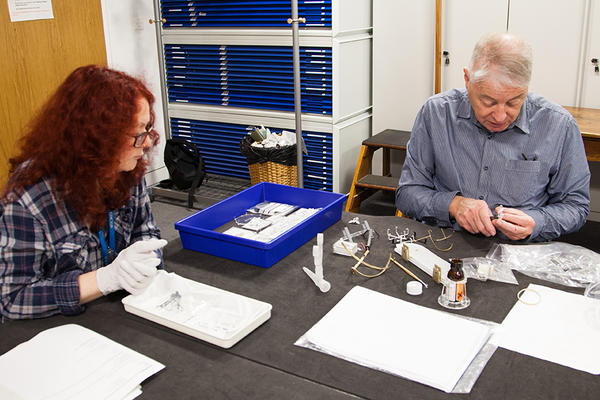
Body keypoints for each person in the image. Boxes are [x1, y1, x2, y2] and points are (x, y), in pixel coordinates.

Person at [0, 65, 167, 319]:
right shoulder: (29, 197)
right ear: (97, 139)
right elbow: (12, 300)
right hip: (60, 330)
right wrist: (104, 280)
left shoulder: (128, 170)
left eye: (147, 129)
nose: (145, 143)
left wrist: (148, 261)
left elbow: (145, 232)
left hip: (119, 313)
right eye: (136, 134)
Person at [396, 33, 590, 242]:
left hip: (520, 253)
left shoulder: (558, 125)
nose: (500, 116)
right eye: (488, 102)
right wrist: (453, 205)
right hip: (446, 243)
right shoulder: (436, 113)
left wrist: (536, 222)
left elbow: (576, 205)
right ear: (467, 79)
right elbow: (407, 193)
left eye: (513, 103)